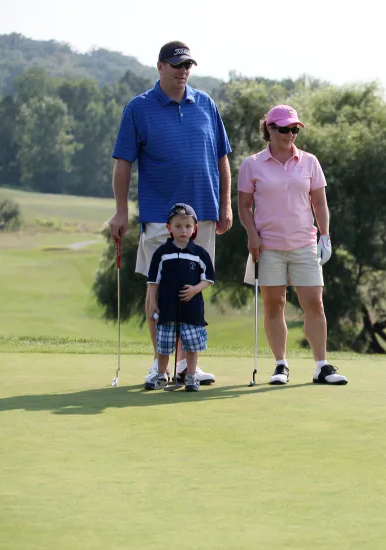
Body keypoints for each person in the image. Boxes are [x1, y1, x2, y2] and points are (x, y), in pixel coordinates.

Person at [107, 41, 232, 389]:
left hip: (203, 215)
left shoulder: (206, 103)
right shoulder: (139, 108)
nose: (183, 71)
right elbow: (123, 163)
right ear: (160, 67)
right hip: (159, 217)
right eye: (176, 65)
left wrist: (226, 206)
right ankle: (160, 365)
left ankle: (186, 367)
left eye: (188, 65)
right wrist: (120, 211)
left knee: (192, 290)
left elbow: (223, 160)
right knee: (158, 291)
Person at [237, 105, 348, 386]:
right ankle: (280, 365)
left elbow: (319, 202)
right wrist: (252, 234)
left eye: (294, 129)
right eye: (284, 129)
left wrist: (325, 235)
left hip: (304, 244)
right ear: (269, 129)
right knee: (275, 305)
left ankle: (321, 366)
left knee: (315, 304)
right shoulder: (252, 164)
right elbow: (244, 206)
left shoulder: (309, 162)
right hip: (269, 246)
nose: (290, 134)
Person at [144, 204, 215, 392]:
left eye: (187, 226)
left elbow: (208, 279)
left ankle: (191, 377)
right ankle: (161, 376)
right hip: (167, 308)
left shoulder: (200, 253)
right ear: (169, 228)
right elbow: (153, 282)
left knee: (192, 344)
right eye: (178, 226)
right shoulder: (161, 253)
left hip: (191, 308)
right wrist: (152, 303)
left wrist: (194, 290)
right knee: (164, 345)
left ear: (194, 228)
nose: (183, 230)